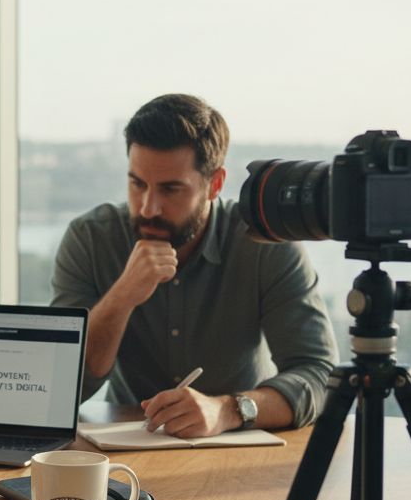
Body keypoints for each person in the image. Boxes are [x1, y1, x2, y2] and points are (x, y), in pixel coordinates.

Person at [51, 93, 335, 437]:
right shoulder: (90, 239)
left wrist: (229, 410)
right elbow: (62, 389)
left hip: (236, 446)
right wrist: (122, 295)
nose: (148, 207)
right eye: (137, 184)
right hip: (124, 446)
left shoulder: (264, 245)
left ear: (214, 184)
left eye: (171, 189)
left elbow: (319, 375)